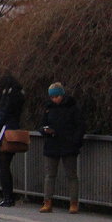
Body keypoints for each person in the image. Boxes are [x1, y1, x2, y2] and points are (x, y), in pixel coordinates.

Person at [38, 81, 85, 214]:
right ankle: (47, 202)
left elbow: (80, 126)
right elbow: (41, 125)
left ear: (62, 95)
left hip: (68, 145)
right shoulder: (48, 108)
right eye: (52, 97)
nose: (54, 99)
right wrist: (44, 130)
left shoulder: (73, 108)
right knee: (49, 175)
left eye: (57, 96)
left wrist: (75, 141)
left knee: (71, 175)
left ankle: (74, 203)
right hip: (52, 144)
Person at [0, 72, 26, 207]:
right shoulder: (19, 96)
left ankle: (7, 197)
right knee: (6, 166)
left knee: (3, 167)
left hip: (4, 134)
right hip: (14, 131)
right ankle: (9, 197)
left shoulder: (6, 97)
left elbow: (1, 117)